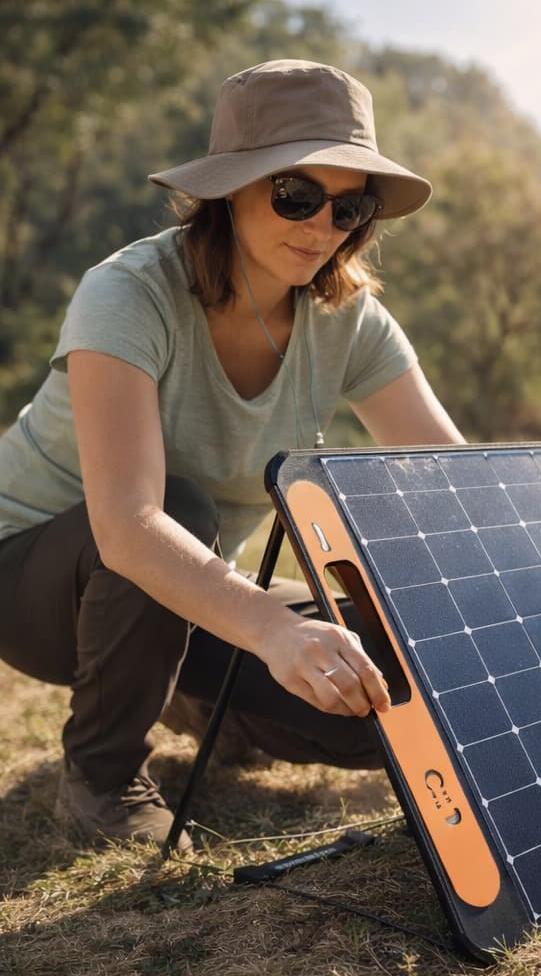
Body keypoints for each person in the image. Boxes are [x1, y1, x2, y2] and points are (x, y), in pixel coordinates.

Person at [0, 59, 464, 853]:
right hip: (33, 579)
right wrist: (273, 632)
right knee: (179, 505)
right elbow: (128, 525)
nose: (321, 227)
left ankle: (183, 686)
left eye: (348, 206)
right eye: (295, 195)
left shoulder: (348, 319)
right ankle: (101, 782)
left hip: (175, 589)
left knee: (382, 700)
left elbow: (452, 482)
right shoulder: (130, 292)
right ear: (230, 189)